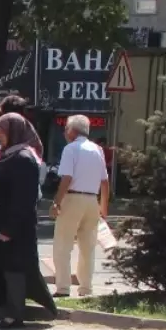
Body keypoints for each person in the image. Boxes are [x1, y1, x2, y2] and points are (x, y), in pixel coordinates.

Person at [0, 113, 56, 327]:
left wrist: (9, 228)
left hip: (13, 226)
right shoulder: (5, 155)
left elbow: (23, 199)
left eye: (2, 130)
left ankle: (14, 314)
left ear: (15, 132)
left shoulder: (24, 159)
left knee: (13, 269)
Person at [50, 114, 110, 298]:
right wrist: (104, 208)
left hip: (73, 198)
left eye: (66, 129)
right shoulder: (97, 149)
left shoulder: (71, 149)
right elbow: (105, 182)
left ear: (73, 131)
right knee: (87, 246)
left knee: (63, 244)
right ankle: (86, 288)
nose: (65, 132)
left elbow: (66, 178)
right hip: (92, 200)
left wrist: (56, 202)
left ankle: (63, 287)